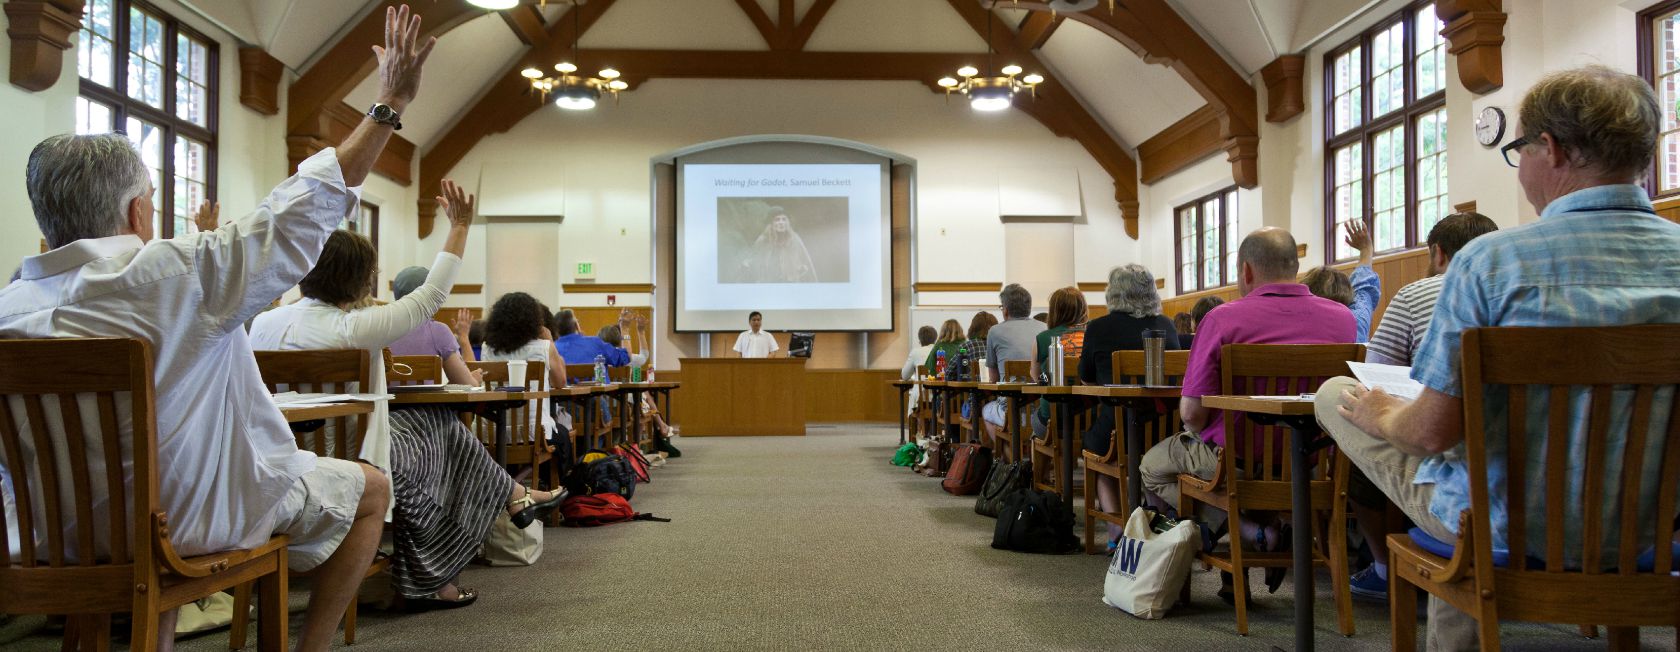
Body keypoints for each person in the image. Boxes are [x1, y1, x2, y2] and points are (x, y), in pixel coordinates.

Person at [0, 7, 429, 648]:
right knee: (370, 488)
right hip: (182, 523)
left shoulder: (10, 309)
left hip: (41, 536)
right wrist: (390, 100)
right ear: (140, 209)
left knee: (170, 467)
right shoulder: (172, 277)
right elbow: (297, 214)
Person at [1318, 65, 1680, 649]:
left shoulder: (1492, 263)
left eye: (1518, 150)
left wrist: (1381, 413)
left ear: (1552, 149)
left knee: (1340, 399)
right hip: (1650, 527)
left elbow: (1433, 432)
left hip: (1504, 526)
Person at [250, 185, 563, 612]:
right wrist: (460, 227)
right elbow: (432, 294)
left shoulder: (262, 326)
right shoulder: (356, 327)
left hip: (279, 460)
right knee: (441, 433)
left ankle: (511, 497)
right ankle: (450, 557)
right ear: (362, 280)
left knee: (436, 430)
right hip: (356, 462)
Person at [1138, 227, 1355, 598]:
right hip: (1311, 462)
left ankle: (1249, 530)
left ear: (1247, 271)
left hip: (1234, 461)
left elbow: (1191, 415)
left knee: (1151, 467)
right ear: (1295, 265)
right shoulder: (1343, 320)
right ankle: (1259, 532)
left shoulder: (1223, 319)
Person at [1341, 211, 1499, 602]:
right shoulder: (1514, 292)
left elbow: (1374, 376)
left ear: (1438, 254)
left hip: (1445, 463)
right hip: (1520, 464)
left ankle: (1382, 565)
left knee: (1342, 399)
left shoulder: (1418, 293)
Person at [1078, 265, 1180, 546]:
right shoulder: (1167, 325)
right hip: (1165, 430)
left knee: (1093, 448)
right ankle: (1156, 520)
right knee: (1146, 449)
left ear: (1113, 293)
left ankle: (1115, 529)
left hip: (1118, 427)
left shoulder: (1098, 328)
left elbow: (1085, 377)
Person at [481, 292, 573, 435]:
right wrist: (550, 342)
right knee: (563, 435)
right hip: (533, 432)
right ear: (534, 320)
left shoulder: (487, 348)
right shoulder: (543, 347)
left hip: (492, 432)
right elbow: (560, 383)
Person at [387, 266, 482, 386]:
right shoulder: (438, 331)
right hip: (428, 404)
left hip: (384, 404)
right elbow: (466, 384)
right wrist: (476, 380)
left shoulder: (381, 329)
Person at [982, 284, 1046, 444]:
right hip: (1041, 412)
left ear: (1005, 310)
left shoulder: (995, 331)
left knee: (986, 410)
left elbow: (994, 378)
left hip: (1010, 411)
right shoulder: (1044, 328)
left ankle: (1007, 457)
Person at [1303, 220, 1382, 341]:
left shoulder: (1293, 325)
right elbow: (1363, 290)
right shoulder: (1357, 323)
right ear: (1349, 299)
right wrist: (1366, 250)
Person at [1029, 286, 1089, 437]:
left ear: (1054, 311)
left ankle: (1043, 457)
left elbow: (1037, 379)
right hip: (1089, 415)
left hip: (1053, 416)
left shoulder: (1042, 338)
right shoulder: (1093, 335)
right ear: (1083, 309)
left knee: (1034, 418)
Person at [743, 208, 818, 283]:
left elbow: (807, 262)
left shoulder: (794, 239)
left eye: (784, 219)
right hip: (768, 282)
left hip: (790, 282)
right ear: (771, 224)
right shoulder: (763, 240)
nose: (781, 222)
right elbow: (751, 259)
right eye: (777, 220)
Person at [553, 308, 628, 379]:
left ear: (556, 330)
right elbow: (625, 357)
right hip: (599, 392)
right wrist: (624, 329)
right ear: (576, 326)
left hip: (564, 392)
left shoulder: (552, 349)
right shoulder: (596, 343)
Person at [902, 325, 938, 416]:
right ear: (935, 338)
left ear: (920, 339)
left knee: (914, 394)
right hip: (938, 397)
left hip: (920, 399)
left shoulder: (915, 352)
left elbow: (905, 376)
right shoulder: (941, 351)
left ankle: (918, 428)